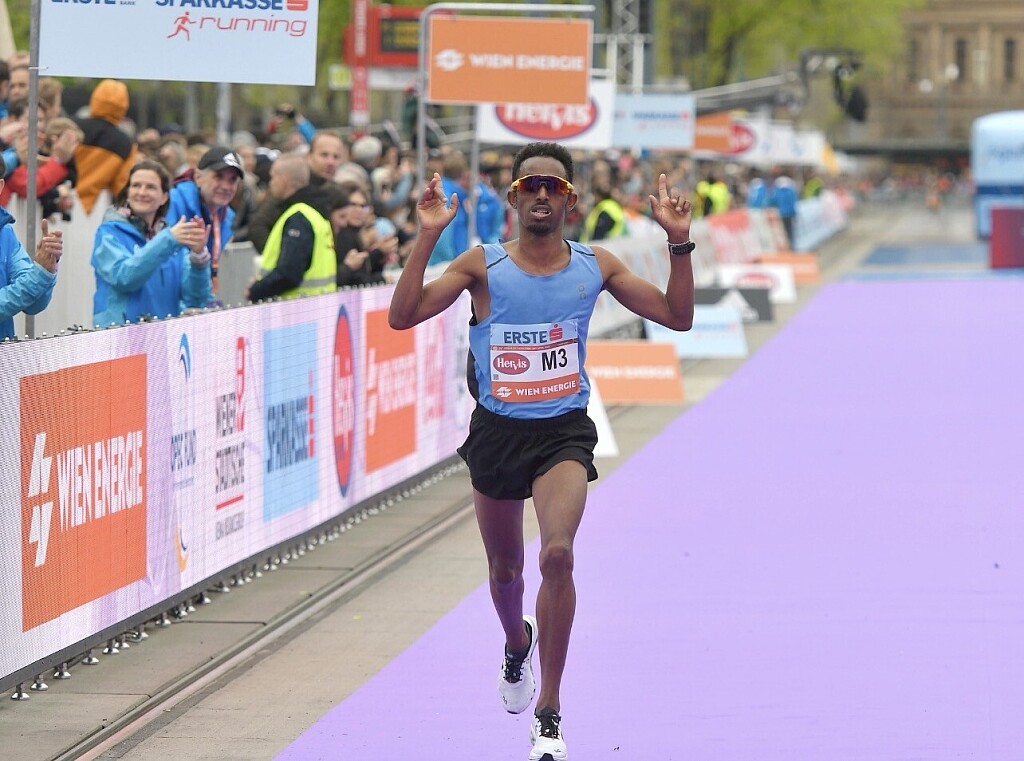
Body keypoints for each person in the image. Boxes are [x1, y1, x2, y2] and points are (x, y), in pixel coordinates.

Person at [388, 141, 694, 761]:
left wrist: (679, 243)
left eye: (555, 186)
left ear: (571, 200)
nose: (543, 195)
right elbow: (403, 316)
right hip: (498, 434)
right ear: (514, 198)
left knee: (558, 554)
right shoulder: (481, 266)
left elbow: (677, 316)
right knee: (506, 572)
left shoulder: (595, 266)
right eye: (531, 186)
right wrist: (427, 237)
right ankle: (515, 643)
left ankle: (549, 711)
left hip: (563, 433)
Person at [91, 160, 211, 327]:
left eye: (150, 187)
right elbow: (124, 278)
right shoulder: (109, 232)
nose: (142, 192)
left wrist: (199, 258)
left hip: (161, 337)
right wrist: (167, 240)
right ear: (128, 192)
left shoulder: (172, 238)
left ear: (164, 197)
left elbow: (196, 299)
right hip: (120, 337)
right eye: (136, 185)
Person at [246, 154, 338, 302]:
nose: (271, 183)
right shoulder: (316, 213)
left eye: (273, 177)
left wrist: (255, 290)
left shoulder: (299, 217)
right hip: (318, 306)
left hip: (297, 309)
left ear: (283, 180)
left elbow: (289, 273)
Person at [166, 145, 242, 296]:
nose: (226, 186)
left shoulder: (227, 217)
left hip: (200, 298)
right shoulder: (172, 203)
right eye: (218, 177)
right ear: (198, 177)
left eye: (232, 180)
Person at [1, 158, 63, 341]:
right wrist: (39, 275)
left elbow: (34, 305)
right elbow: (30, 285)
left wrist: (46, 267)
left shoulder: (5, 232)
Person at [73, 79, 138, 214]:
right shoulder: (125, 144)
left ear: (94, 99)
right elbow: (121, 186)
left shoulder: (71, 127)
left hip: (59, 202)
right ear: (123, 108)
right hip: (91, 210)